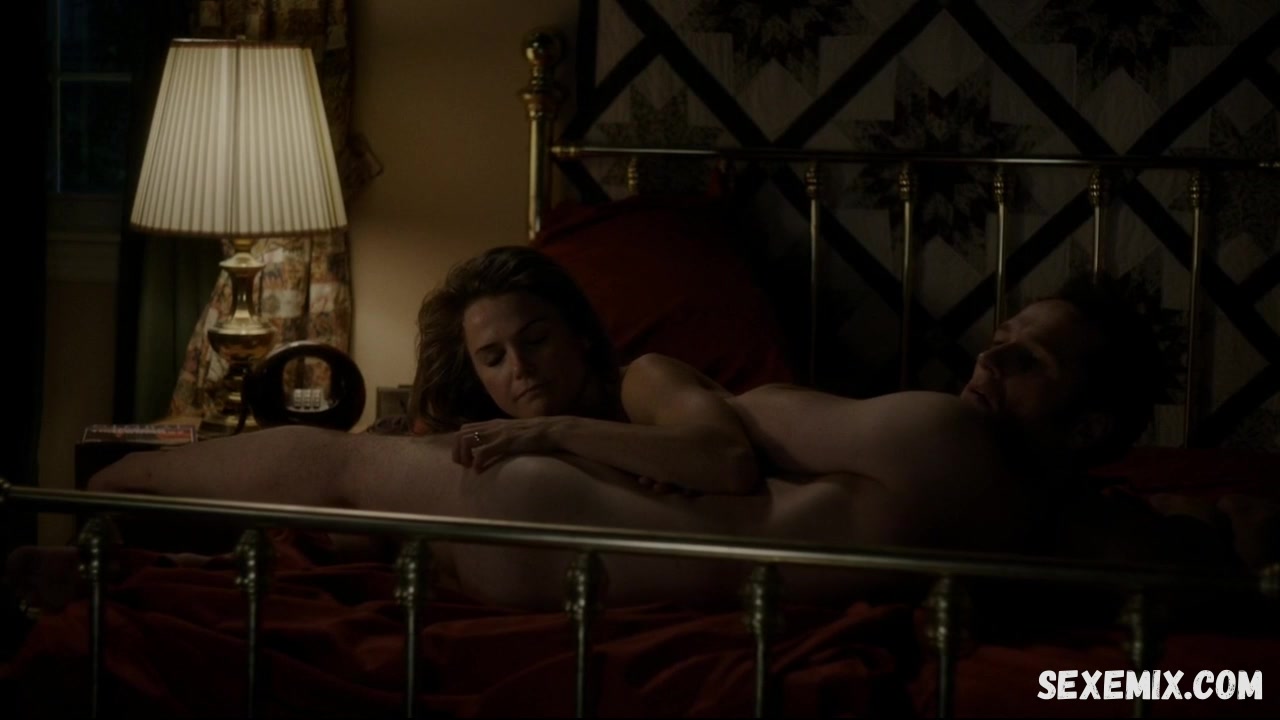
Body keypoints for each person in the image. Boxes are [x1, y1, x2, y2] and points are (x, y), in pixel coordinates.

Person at [36, 250, 1254, 608]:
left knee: (342, 466)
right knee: (342, 504)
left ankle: (85, 506)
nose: (985, 357)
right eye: (996, 335)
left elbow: (721, 456)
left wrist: (554, 439)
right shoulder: (1058, 530)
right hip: (591, 540)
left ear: (1089, 422)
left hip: (566, 526)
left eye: (1025, 358)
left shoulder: (948, 441)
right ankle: (94, 532)